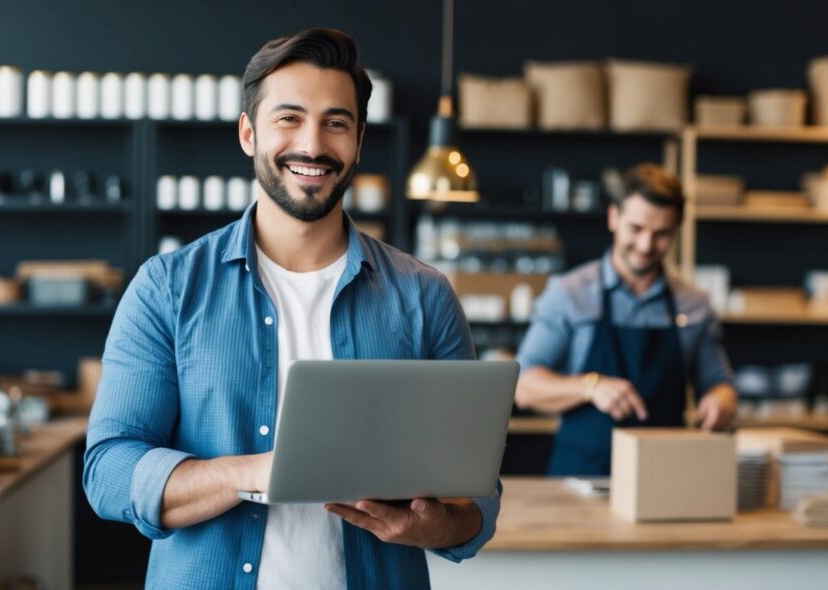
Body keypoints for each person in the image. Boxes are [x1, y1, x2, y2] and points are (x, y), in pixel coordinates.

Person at [83, 28, 499, 589]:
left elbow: (475, 494)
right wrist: (255, 472)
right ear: (249, 133)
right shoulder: (167, 288)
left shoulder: (424, 296)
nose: (313, 144)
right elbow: (108, 473)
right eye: (289, 118)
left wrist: (437, 525)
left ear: (358, 141)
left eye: (336, 122)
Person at [514, 163, 738, 476]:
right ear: (613, 217)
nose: (646, 246)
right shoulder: (569, 293)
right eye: (636, 229)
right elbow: (522, 386)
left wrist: (720, 402)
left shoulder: (694, 304)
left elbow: (718, 383)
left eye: (661, 235)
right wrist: (590, 386)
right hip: (581, 479)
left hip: (667, 479)